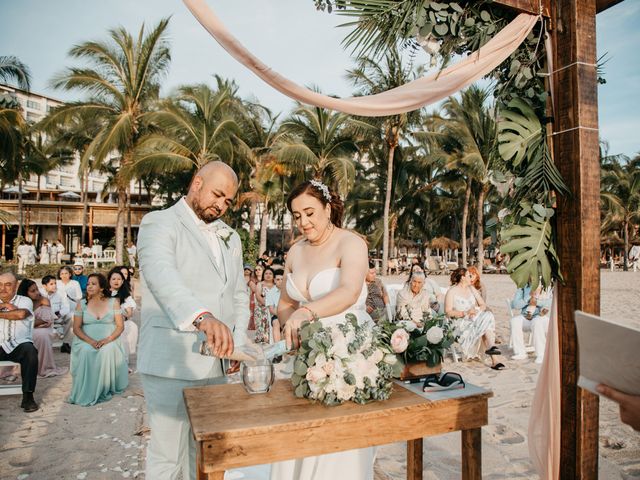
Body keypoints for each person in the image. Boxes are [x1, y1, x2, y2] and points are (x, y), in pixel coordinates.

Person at [137, 161, 248, 480]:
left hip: (216, 365)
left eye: (228, 200)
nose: (222, 204)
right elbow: (162, 275)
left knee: (204, 453)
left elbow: (238, 294)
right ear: (196, 183)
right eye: (217, 194)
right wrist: (202, 317)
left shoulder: (231, 237)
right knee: (168, 456)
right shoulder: (158, 222)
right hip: (170, 360)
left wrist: (236, 342)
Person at [273, 179, 375, 480]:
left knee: (336, 450)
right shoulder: (295, 252)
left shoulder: (351, 243)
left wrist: (305, 312)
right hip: (304, 357)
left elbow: (347, 290)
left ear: (328, 209)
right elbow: (283, 303)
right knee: (296, 439)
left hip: (347, 353)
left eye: (309, 213)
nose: (303, 222)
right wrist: (289, 325)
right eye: (296, 215)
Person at [68, 273, 128, 406]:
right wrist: (90, 341)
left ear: (101, 288)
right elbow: (76, 328)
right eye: (88, 284)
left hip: (109, 338)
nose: (89, 286)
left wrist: (107, 340)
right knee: (86, 351)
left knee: (108, 350)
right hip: (86, 339)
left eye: (93, 284)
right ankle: (88, 387)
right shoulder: (82, 304)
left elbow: (120, 326)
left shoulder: (114, 302)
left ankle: (104, 387)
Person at [445, 268, 503, 370]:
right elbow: (448, 312)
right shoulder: (452, 291)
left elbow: (483, 305)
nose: (470, 278)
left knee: (487, 316)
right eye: (468, 275)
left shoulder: (471, 289)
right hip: (461, 323)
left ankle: (494, 356)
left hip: (474, 319)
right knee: (486, 322)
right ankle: (494, 356)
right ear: (462, 278)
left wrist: (475, 310)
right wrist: (465, 313)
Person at [0, 271, 39, 412]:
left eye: (8, 285)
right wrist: (6, 310)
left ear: (15, 286)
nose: (3, 288)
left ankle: (28, 397)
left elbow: (21, 314)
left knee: (30, 351)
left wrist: (11, 312)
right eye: (0, 285)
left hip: (19, 345)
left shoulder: (24, 301)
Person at [17, 279, 67, 377]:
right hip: (25, 329)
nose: (37, 293)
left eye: (37, 289)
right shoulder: (20, 302)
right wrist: (30, 323)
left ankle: (44, 367)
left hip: (43, 328)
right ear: (25, 293)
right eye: (32, 291)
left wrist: (27, 322)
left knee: (42, 335)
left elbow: (46, 320)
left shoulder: (44, 300)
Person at [510, 283, 552, 363]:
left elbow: (550, 302)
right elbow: (516, 304)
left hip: (541, 317)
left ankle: (541, 354)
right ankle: (520, 352)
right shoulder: (522, 287)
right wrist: (528, 298)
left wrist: (536, 301)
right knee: (514, 321)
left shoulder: (546, 285)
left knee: (537, 322)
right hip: (526, 317)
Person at [108, 267, 138, 369]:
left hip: (121, 321)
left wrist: (123, 317)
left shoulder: (125, 296)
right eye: (114, 279)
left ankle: (122, 361)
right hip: (105, 321)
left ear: (122, 281)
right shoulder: (103, 294)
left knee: (130, 326)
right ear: (109, 280)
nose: (116, 281)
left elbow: (129, 313)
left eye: (119, 279)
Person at [57, 266, 83, 353]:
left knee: (71, 317)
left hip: (72, 308)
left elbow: (79, 297)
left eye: (66, 273)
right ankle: (65, 341)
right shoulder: (56, 283)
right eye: (62, 274)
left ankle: (66, 343)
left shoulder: (75, 283)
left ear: (70, 274)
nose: (64, 275)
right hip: (59, 309)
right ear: (59, 275)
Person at [254, 266, 277, 344]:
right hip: (261, 309)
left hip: (273, 309)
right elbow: (258, 296)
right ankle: (261, 343)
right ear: (263, 275)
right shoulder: (260, 284)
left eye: (270, 273)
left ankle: (272, 341)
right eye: (266, 273)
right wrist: (268, 304)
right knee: (261, 326)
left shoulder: (276, 285)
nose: (268, 275)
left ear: (273, 275)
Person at [266, 269, 284, 343]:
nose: (280, 281)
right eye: (278, 279)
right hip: (276, 315)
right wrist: (281, 314)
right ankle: (278, 346)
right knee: (276, 322)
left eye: (282, 279)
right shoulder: (270, 293)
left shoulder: (289, 290)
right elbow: (271, 310)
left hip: (289, 313)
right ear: (274, 280)